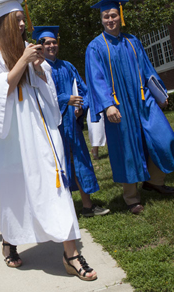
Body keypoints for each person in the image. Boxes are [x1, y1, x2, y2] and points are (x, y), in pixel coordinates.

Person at [0, 0, 97, 280]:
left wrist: (39, 69)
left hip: (38, 133)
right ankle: (10, 240)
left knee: (55, 188)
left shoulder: (30, 51)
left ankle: (71, 253)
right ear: (4, 24)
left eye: (23, 20)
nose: (23, 25)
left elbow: (48, 92)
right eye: (17, 21)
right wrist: (21, 63)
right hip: (8, 139)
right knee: (13, 191)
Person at [85, 0, 174, 214]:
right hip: (118, 105)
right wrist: (108, 105)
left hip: (142, 99)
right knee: (126, 149)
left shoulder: (132, 41)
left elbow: (148, 69)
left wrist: (159, 93)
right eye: (106, 16)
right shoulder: (95, 47)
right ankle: (131, 197)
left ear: (120, 16)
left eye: (113, 15)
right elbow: (96, 79)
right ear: (101, 20)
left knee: (163, 137)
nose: (110, 19)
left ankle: (154, 181)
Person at [33, 26, 109, 218]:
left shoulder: (68, 66)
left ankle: (87, 206)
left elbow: (83, 90)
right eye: (46, 43)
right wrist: (66, 98)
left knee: (80, 162)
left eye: (53, 42)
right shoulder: (37, 69)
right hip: (52, 127)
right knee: (58, 166)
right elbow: (39, 99)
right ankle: (61, 210)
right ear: (39, 46)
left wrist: (81, 107)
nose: (51, 46)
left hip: (72, 125)